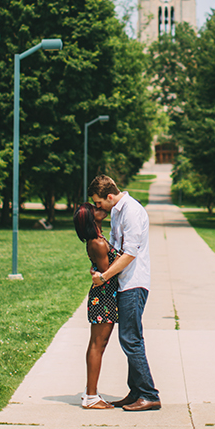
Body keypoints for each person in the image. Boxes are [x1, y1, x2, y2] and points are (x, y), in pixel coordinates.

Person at [88, 175, 161, 411]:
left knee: (131, 338)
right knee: (128, 337)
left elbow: (129, 254)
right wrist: (99, 266)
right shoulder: (118, 211)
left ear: (109, 196)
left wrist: (104, 276)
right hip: (123, 283)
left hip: (134, 283)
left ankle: (149, 394)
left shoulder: (131, 211)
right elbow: (115, 249)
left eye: (99, 203)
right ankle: (136, 391)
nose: (97, 208)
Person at [73, 202, 120, 409]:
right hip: (104, 297)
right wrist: (125, 257)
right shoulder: (98, 243)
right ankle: (92, 397)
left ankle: (89, 393)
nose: (101, 209)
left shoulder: (98, 240)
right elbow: (108, 272)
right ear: (91, 218)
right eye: (95, 209)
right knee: (97, 346)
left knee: (96, 345)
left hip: (103, 296)